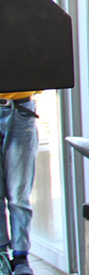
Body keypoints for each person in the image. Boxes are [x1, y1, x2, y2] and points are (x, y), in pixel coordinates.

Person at [0, 90, 39, 275]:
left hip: (20, 110)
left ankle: (21, 257)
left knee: (18, 194)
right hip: (20, 109)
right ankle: (1, 256)